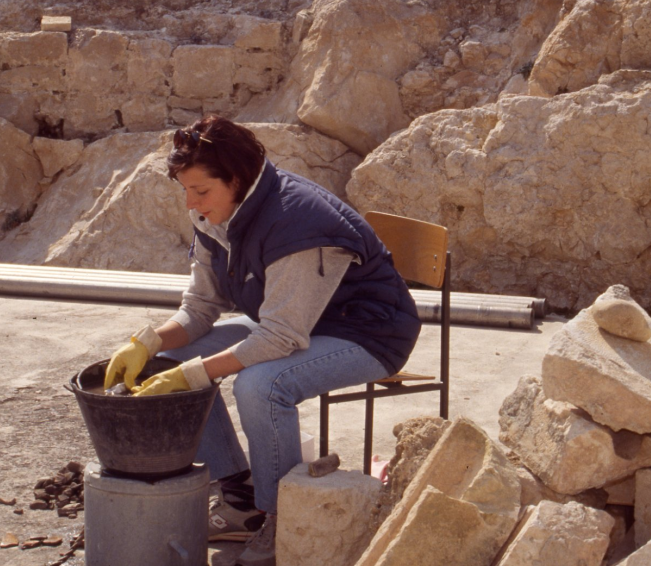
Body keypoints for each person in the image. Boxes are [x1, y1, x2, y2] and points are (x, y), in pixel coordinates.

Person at [104, 116, 421, 566]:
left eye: (201, 191)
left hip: (368, 334)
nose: (192, 204)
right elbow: (199, 309)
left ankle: (279, 517)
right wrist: (147, 342)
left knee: (260, 385)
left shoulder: (298, 222)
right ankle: (239, 496)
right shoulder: (217, 214)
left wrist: (192, 375)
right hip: (297, 324)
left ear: (235, 179)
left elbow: (279, 337)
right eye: (186, 191)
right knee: (169, 358)